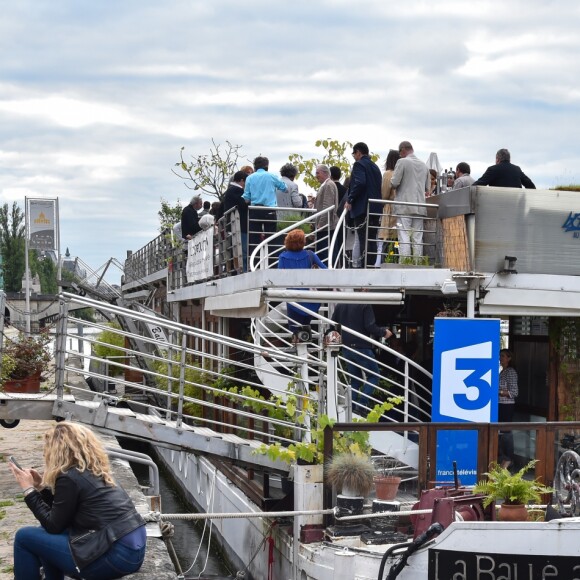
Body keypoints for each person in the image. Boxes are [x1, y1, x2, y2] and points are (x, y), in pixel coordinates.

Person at [8, 422, 146, 580]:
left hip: (116, 556)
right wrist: (40, 487)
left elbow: (53, 526)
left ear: (58, 451)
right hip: (132, 552)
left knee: (23, 537)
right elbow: (60, 516)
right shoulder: (93, 470)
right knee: (42, 535)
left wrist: (28, 490)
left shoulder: (69, 477)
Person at [331, 292, 393, 413]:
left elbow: (333, 324)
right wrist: (384, 332)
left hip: (347, 348)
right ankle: (362, 404)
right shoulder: (364, 303)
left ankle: (351, 407)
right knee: (374, 376)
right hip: (362, 347)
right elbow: (370, 326)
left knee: (355, 379)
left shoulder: (341, 304)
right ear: (363, 288)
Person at [278, 229, 326, 339]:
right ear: (303, 242)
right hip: (310, 299)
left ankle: (298, 352)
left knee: (295, 331)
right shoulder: (310, 255)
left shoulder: (283, 257)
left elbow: (279, 277)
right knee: (305, 328)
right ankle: (305, 352)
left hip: (293, 299)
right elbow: (325, 270)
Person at [242, 156, 287, 264]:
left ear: (255, 166)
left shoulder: (250, 178)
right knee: (271, 237)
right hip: (269, 210)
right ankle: (271, 262)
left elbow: (246, 197)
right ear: (267, 166)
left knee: (254, 238)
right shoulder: (271, 176)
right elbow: (284, 188)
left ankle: (255, 262)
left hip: (255, 209)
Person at [390, 140, 430, 260]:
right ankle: (418, 263)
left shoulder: (402, 162)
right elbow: (427, 188)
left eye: (399, 152)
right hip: (420, 206)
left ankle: (405, 263)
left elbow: (394, 183)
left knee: (404, 235)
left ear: (403, 150)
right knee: (417, 237)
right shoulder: (424, 165)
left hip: (404, 205)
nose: (399, 154)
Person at [345, 142, 382, 268]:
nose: (354, 157)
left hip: (362, 208)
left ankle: (363, 268)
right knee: (371, 239)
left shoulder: (359, 164)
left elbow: (360, 183)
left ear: (358, 152)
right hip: (375, 208)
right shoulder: (375, 167)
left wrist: (350, 199)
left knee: (363, 239)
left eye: (354, 154)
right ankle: (370, 267)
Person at [375, 149, 400, 266]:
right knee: (398, 239)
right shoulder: (400, 172)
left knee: (387, 237)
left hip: (389, 208)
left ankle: (386, 263)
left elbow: (384, 194)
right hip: (400, 208)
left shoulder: (388, 174)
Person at [223, 170, 249, 271]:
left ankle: (238, 268)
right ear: (242, 181)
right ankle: (244, 269)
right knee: (243, 250)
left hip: (233, 224)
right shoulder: (237, 190)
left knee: (236, 249)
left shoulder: (230, 190)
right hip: (240, 224)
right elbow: (243, 204)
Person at [313, 164, 338, 263]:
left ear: (325, 173)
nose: (316, 175)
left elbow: (327, 206)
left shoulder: (328, 185)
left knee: (324, 254)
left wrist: (320, 224)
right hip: (325, 226)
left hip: (326, 227)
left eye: (317, 173)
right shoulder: (327, 185)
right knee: (324, 253)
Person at [499, 348, 518, 469]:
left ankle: (509, 459)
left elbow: (514, 392)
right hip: (500, 404)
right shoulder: (502, 371)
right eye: (500, 356)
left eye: (503, 356)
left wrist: (499, 392)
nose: (500, 358)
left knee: (506, 432)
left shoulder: (510, 372)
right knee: (500, 432)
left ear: (509, 358)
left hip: (507, 405)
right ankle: (504, 458)